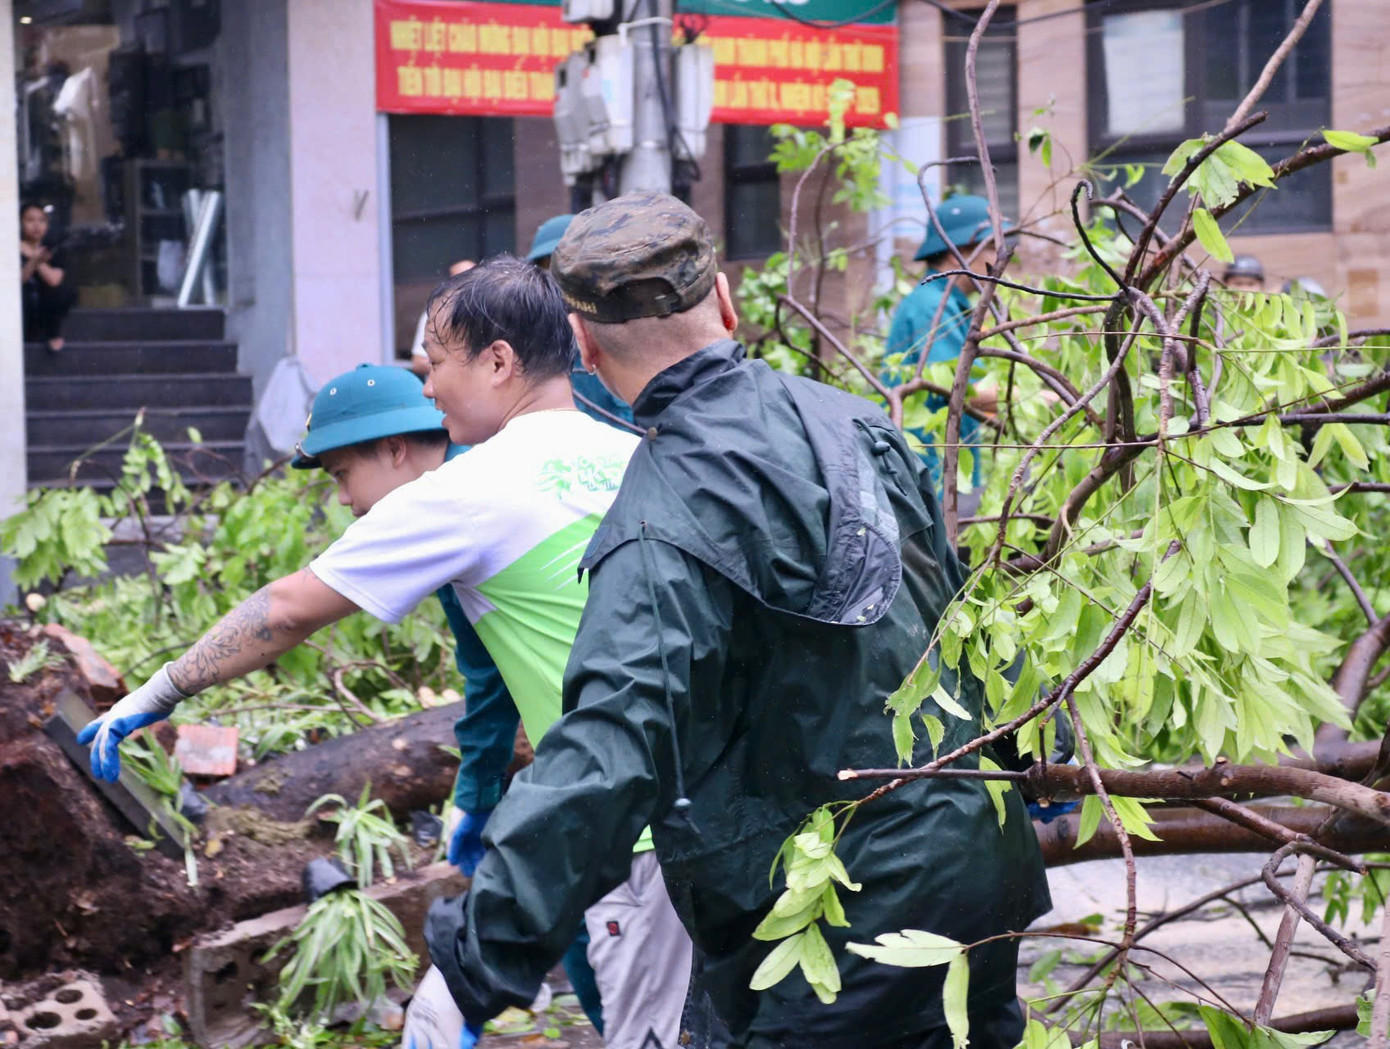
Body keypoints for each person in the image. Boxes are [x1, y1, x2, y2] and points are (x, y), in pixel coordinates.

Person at [425, 192, 1051, 1048]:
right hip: (981, 864)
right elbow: (963, 625)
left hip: (833, 926)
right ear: (723, 299)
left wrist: (474, 959)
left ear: (583, 345)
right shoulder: (857, 423)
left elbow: (611, 747)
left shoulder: (657, 518)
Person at [77, 256, 692, 1049]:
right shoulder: (638, 453)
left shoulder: (470, 491)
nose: (427, 387)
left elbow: (289, 609)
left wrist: (156, 691)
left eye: (436, 363)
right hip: (726, 811)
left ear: (498, 362)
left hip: (631, 836)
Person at [883, 195, 1006, 510]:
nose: (1001, 256)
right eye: (991, 245)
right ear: (955, 253)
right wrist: (1036, 399)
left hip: (941, 478)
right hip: (931, 482)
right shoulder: (933, 307)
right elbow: (958, 386)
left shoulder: (944, 302)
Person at [528, 212, 637, 430]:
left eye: (566, 266)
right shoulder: (528, 345)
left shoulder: (629, 333)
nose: (557, 279)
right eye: (547, 267)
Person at [20, 202, 77, 352]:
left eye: (41, 220)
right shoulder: (13, 247)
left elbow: (54, 280)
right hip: (25, 306)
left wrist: (34, 258)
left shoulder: (55, 248)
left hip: (47, 306)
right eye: (30, 220)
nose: (36, 225)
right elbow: (18, 281)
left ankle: (53, 334)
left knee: (59, 291)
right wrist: (32, 261)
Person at [410, 259, 476, 377]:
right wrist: (458, 368)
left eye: (473, 278)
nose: (468, 284)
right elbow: (419, 362)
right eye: (462, 279)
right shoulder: (435, 314)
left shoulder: (490, 313)